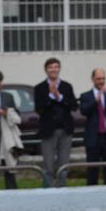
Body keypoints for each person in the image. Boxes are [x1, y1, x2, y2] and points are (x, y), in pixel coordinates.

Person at [34, 57, 78, 187]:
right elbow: (39, 109)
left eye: (56, 67)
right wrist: (50, 96)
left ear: (59, 69)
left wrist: (59, 96)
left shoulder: (67, 86)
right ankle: (48, 191)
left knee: (63, 165)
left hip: (65, 130)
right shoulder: (39, 88)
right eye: (50, 67)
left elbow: (74, 106)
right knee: (48, 165)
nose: (53, 69)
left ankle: (61, 189)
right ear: (46, 70)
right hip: (48, 130)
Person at [79, 68, 106, 185]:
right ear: (93, 79)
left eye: (103, 78)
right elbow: (83, 111)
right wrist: (95, 100)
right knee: (92, 170)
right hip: (93, 138)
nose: (101, 81)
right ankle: (92, 192)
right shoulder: (86, 95)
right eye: (98, 79)